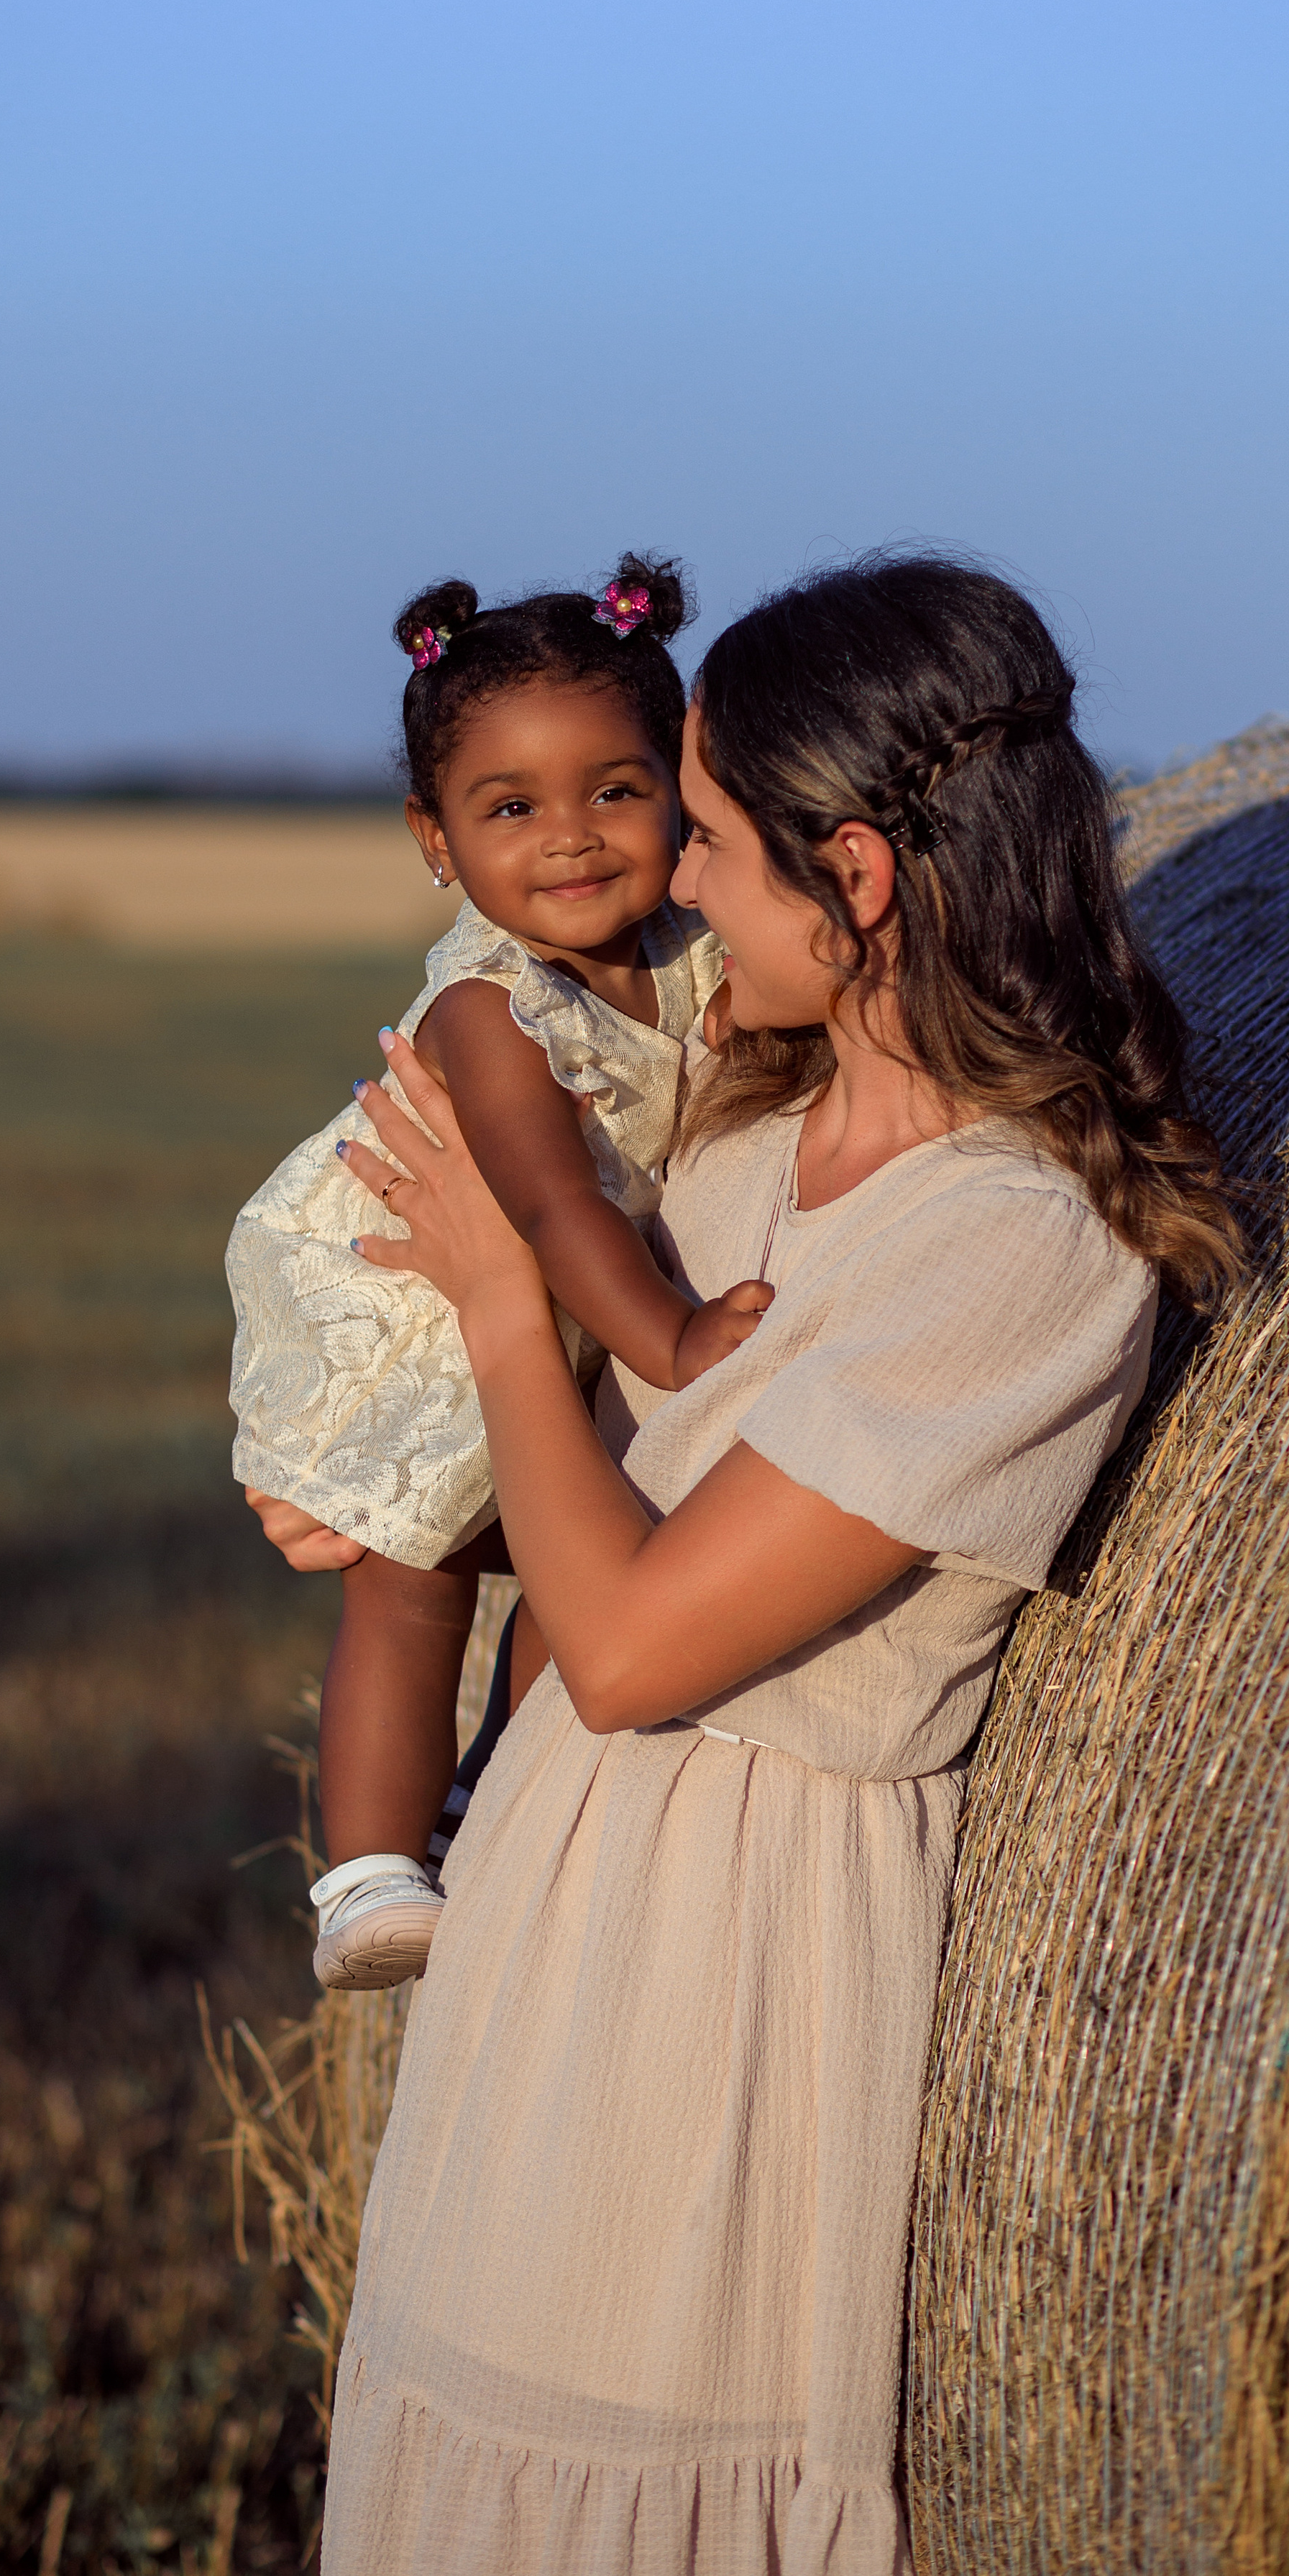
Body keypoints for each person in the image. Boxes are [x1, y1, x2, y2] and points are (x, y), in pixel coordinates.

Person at [314, 554, 1245, 2572]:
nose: (672, 889)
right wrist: (388, 1509)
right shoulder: (739, 1150)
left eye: (705, 838)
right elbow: (581, 1533)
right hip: (554, 1907)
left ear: (859, 874)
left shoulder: (1019, 1250)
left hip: (727, 1990)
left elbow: (644, 1637)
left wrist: (497, 1300)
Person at [226, 555, 763, 1990]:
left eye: (615, 790)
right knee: (415, 1581)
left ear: (682, 790)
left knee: (587, 1556)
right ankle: (366, 1876)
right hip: (427, 1312)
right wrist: (674, 1339)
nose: (572, 838)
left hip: (552, 1316)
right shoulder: (489, 1006)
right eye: (508, 807)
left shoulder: (698, 950)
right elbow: (542, 1201)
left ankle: (485, 1797)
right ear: (436, 841)